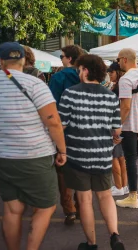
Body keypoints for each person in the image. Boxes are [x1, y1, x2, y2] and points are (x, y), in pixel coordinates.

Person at [0, 42, 66, 250]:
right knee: (46, 206)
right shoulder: (35, 84)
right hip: (32, 155)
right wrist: (62, 149)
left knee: (12, 207)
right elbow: (53, 121)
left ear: (0, 61)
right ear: (24, 61)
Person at [59, 54, 124, 250]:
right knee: (105, 196)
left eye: (80, 69)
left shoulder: (70, 94)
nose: (79, 73)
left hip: (78, 156)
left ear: (85, 70)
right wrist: (113, 137)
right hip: (103, 155)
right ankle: (115, 236)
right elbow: (117, 130)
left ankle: (92, 243)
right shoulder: (110, 96)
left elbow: (60, 125)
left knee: (85, 199)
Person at [49, 44, 83, 225]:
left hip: (63, 129)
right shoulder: (86, 76)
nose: (61, 59)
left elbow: (51, 105)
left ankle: (69, 208)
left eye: (62, 56)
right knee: (81, 167)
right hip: (85, 129)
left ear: (69, 58)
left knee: (62, 168)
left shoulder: (58, 77)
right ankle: (82, 204)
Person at [115, 48, 138, 209]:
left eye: (118, 59)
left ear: (125, 59)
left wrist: (117, 126)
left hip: (129, 125)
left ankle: (132, 196)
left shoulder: (125, 79)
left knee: (130, 161)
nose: (117, 62)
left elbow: (125, 107)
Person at [107, 62, 129, 196]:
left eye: (112, 73)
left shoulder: (119, 87)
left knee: (114, 157)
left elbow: (121, 107)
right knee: (120, 157)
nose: (110, 75)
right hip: (123, 125)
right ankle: (124, 186)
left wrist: (117, 127)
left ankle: (119, 186)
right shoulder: (121, 85)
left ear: (118, 72)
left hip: (116, 125)